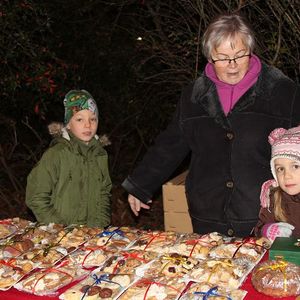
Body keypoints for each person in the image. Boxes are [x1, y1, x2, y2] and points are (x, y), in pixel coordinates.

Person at [121, 12, 300, 237]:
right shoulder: (194, 95)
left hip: (264, 216)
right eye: (223, 58)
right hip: (208, 211)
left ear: (250, 51)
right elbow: (171, 143)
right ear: (210, 57)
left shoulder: (282, 92)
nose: (232, 65)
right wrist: (140, 185)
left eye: (240, 55)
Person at [26, 90, 112, 228]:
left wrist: (99, 226)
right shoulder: (56, 154)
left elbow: (104, 192)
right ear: (68, 124)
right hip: (59, 236)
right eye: (79, 119)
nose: (88, 125)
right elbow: (36, 196)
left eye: (93, 119)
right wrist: (59, 228)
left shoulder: (100, 155)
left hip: (91, 235)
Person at [255, 126, 300, 241]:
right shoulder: (274, 198)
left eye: (295, 166)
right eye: (280, 169)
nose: (286, 175)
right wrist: (267, 230)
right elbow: (259, 229)